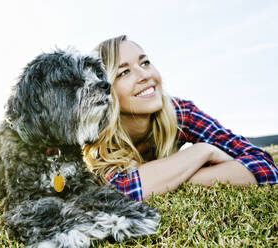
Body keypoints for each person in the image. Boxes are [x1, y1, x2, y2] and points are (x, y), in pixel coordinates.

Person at [83, 35, 278, 201]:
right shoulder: (96, 136)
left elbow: (264, 167)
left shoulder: (181, 112)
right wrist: (202, 153)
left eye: (145, 62)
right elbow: (119, 193)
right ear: (104, 91)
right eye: (124, 72)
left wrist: (165, 179)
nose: (144, 75)